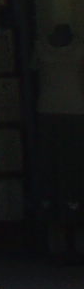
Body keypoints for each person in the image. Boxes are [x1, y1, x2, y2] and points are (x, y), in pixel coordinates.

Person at [36, 22, 84, 262]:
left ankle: (69, 239)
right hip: (55, 114)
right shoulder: (40, 47)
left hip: (70, 114)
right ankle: (56, 240)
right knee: (53, 174)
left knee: (71, 174)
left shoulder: (78, 47)